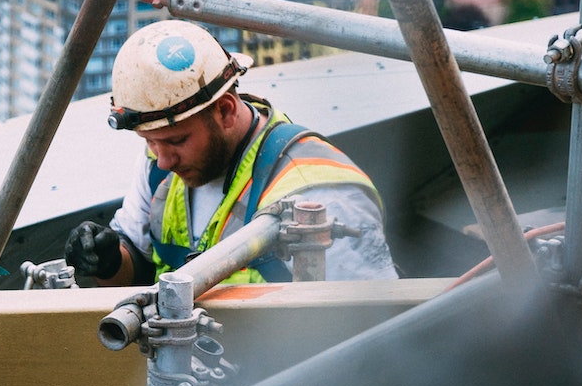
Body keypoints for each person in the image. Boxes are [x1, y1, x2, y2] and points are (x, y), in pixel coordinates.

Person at [65, 19, 397, 286]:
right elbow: (138, 264)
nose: (163, 159)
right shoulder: (160, 161)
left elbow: (367, 330)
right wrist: (109, 261)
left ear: (225, 111)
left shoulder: (318, 192)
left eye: (177, 141)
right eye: (150, 142)